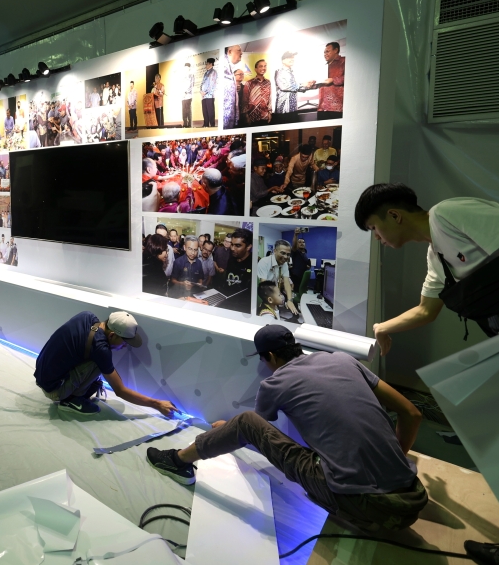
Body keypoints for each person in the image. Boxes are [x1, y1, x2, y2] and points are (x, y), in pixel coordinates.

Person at [147, 325, 428, 534]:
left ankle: (176, 461)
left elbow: (253, 426)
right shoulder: (344, 360)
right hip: (412, 498)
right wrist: (389, 459)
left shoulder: (274, 383)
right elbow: (412, 413)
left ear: (269, 356)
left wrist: (232, 427)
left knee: (244, 420)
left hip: (369, 509)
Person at [355, 183, 499, 352]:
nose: (376, 237)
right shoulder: (437, 258)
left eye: (374, 227)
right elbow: (425, 311)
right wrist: (382, 328)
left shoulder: (446, 214)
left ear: (394, 215)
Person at [34, 311, 176, 416]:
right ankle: (71, 400)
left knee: (98, 359)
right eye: (124, 342)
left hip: (43, 375)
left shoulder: (87, 316)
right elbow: (120, 391)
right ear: (112, 335)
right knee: (99, 362)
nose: (125, 346)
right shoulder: (100, 349)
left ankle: (72, 391)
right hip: (53, 389)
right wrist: (156, 404)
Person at [214, 228, 253, 313]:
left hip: (243, 309)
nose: (232, 248)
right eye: (232, 244)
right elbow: (227, 282)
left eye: (237, 245)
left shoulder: (254, 264)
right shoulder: (231, 259)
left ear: (248, 247)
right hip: (226, 304)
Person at [257, 239, 299, 316]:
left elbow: (286, 282)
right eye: (283, 253)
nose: (286, 257)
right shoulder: (264, 262)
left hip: (275, 293)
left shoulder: (284, 264)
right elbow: (264, 287)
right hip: (264, 295)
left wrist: (290, 300)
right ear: (275, 251)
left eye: (288, 254)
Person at [218, 45, 250, 129]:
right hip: (225, 122)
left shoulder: (229, 68)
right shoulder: (222, 66)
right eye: (239, 50)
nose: (241, 53)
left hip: (230, 120)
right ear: (229, 52)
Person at [313, 42, 345, 119]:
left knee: (337, 130)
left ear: (336, 50)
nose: (325, 54)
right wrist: (313, 84)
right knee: (321, 130)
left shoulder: (343, 61)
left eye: (327, 51)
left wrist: (333, 80)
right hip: (322, 107)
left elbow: (351, 78)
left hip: (336, 107)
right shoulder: (324, 66)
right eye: (324, 52)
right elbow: (321, 82)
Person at [241, 59, 272, 126]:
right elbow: (244, 100)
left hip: (265, 116)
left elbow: (270, 98)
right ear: (256, 69)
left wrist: (269, 113)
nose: (263, 68)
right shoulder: (249, 83)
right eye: (261, 66)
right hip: (252, 117)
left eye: (265, 66)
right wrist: (246, 116)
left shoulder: (268, 82)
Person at [290, 228, 311, 296]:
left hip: (302, 275)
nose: (301, 243)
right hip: (296, 276)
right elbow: (294, 246)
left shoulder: (305, 252)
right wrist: (296, 235)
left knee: (301, 291)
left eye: (303, 242)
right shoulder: (296, 251)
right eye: (299, 242)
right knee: (296, 292)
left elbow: (304, 262)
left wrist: (307, 266)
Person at [200, 57, 217, 127]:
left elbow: (212, 84)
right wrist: (201, 91)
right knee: (205, 111)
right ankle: (206, 124)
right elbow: (202, 83)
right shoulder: (205, 73)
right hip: (203, 96)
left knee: (210, 111)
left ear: (210, 64)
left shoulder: (213, 72)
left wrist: (205, 92)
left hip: (209, 96)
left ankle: (212, 125)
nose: (205, 65)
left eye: (206, 64)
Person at [181, 62, 194, 128]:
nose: (186, 69)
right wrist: (182, 92)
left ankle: (189, 124)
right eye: (185, 67)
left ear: (189, 68)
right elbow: (181, 85)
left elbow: (191, 85)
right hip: (183, 96)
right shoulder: (182, 75)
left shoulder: (191, 75)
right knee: (184, 110)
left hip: (188, 95)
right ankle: (185, 123)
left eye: (187, 67)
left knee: (188, 110)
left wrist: (186, 92)